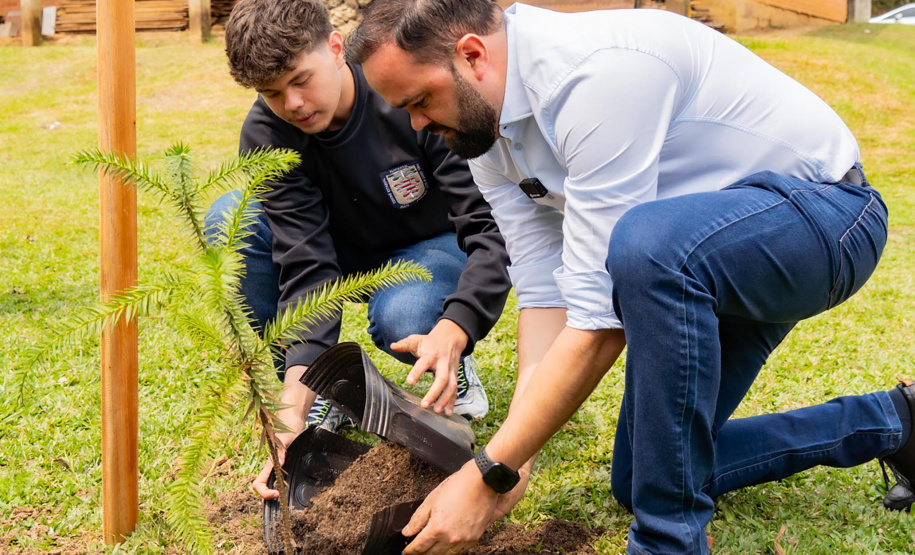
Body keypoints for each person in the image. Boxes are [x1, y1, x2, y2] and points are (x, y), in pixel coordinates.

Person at [350, 1, 913, 554]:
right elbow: (546, 291)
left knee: (643, 245)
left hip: (824, 219)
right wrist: (513, 458)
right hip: (703, 264)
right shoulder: (483, 129)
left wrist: (487, 472)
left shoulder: (595, 74)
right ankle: (897, 420)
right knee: (644, 475)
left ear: (472, 55)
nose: (417, 124)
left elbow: (599, 321)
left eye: (420, 100)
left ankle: (669, 544)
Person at [208, 0, 512, 501]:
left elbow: (488, 227)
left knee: (404, 315)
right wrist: (293, 407)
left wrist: (459, 322)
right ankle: (321, 388)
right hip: (339, 248)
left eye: (301, 79)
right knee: (228, 219)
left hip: (425, 244)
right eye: (272, 93)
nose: (293, 104)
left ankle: (447, 357)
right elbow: (306, 266)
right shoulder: (266, 134)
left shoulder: (403, 89)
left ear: (335, 48)